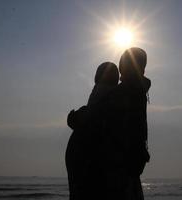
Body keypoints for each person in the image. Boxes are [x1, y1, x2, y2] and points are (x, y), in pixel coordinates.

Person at [102, 47, 151, 200]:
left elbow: (98, 115)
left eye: (123, 64)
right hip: (132, 164)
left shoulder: (123, 92)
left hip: (120, 167)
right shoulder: (139, 90)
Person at [65, 62, 119, 200]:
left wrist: (76, 118)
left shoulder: (104, 94)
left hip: (89, 163)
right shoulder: (111, 95)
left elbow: (91, 116)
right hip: (89, 162)